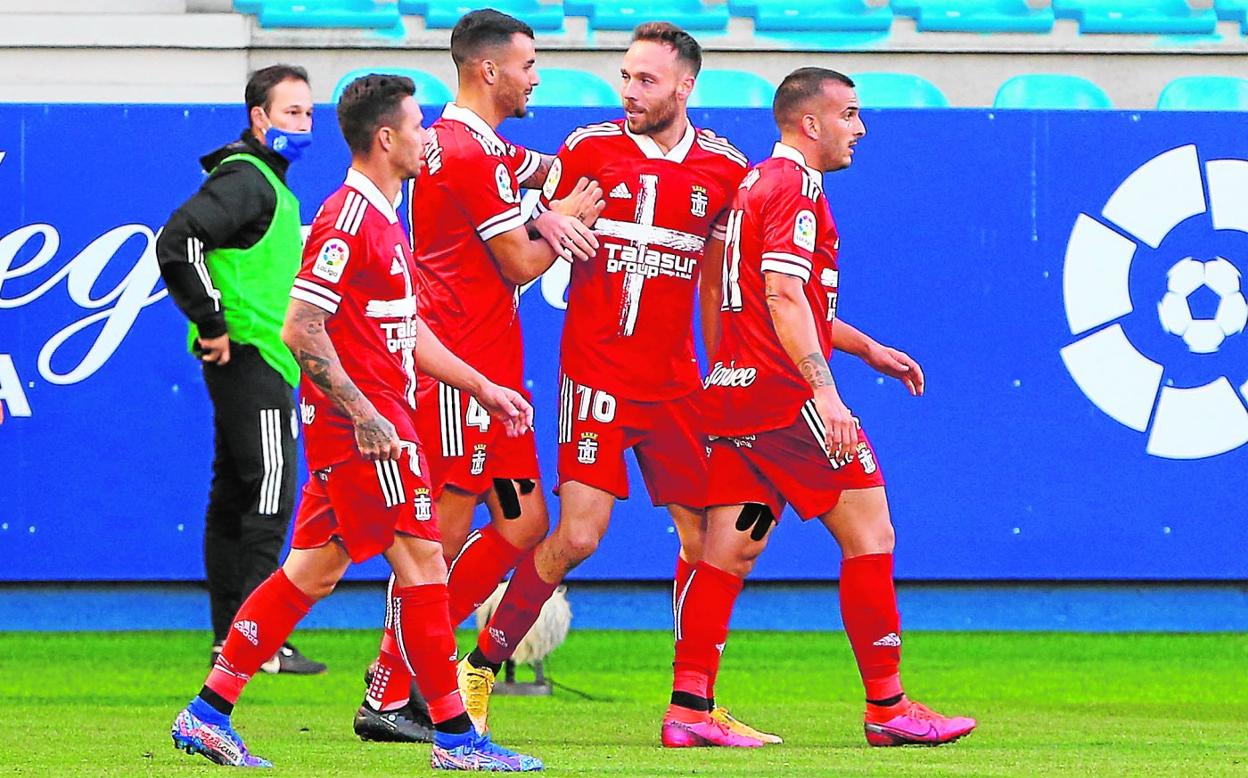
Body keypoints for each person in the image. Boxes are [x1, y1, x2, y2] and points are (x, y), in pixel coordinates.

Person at [170, 74, 544, 772]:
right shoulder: (348, 219)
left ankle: (206, 713)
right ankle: (458, 741)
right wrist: (369, 416)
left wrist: (482, 385)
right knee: (425, 562)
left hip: (372, 420)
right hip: (366, 430)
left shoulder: (384, 216)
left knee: (310, 573)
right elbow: (301, 328)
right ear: (386, 138)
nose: (428, 138)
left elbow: (408, 334)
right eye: (418, 126)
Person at [455, 22, 778, 747]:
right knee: (578, 536)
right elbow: (530, 237)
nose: (630, 92)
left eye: (647, 80)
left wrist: (723, 372)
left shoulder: (726, 168)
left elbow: (721, 285)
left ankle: (692, 705)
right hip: (598, 371)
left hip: (677, 385)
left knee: (710, 538)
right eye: (625, 77)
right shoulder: (588, 149)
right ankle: (478, 667)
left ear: (685, 86)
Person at [668, 66, 977, 748]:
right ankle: (889, 707)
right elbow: (781, 296)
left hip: (737, 396)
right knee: (872, 535)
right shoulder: (797, 189)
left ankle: (688, 708)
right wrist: (827, 392)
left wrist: (868, 349)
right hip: (786, 400)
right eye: (850, 115)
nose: (859, 129)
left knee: (729, 550)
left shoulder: (755, 183)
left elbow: (778, 301)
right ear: (811, 123)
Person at [352, 10, 604, 745]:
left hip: (494, 376)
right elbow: (523, 262)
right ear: (489, 70)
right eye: (528, 64)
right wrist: (560, 219)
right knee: (439, 539)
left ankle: (413, 673)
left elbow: (542, 170)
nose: (537, 76)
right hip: (460, 377)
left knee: (524, 525)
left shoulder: (475, 146)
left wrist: (586, 176)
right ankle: (392, 687)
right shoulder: (461, 150)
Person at [155, 64, 325, 675]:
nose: (303, 125)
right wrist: (212, 321)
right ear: (259, 118)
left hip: (259, 356)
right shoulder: (248, 180)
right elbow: (177, 241)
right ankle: (259, 642)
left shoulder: (267, 184)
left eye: (308, 113)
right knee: (268, 494)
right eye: (291, 113)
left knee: (235, 494)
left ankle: (233, 639)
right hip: (253, 354)